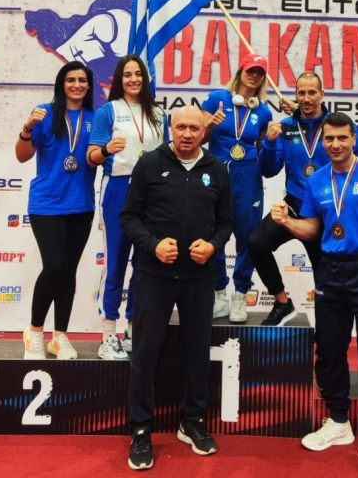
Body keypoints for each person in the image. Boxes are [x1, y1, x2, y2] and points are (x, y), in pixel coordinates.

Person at [271, 112, 358, 478]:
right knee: (329, 350)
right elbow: (312, 230)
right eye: (329, 138)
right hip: (330, 269)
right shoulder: (316, 180)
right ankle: (339, 421)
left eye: (342, 138)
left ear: (353, 139)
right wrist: (286, 222)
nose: (335, 144)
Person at [120, 105, 234, 471]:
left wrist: (213, 246)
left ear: (204, 132)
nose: (187, 134)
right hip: (153, 275)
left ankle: (192, 421)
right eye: (181, 127)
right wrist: (152, 244)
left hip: (199, 278)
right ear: (171, 128)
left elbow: (226, 222)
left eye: (194, 129)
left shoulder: (217, 169)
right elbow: (128, 216)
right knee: (145, 353)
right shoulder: (150, 163)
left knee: (198, 351)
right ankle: (141, 429)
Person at [249, 72, 358, 326]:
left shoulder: (335, 126)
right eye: (301, 93)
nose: (307, 98)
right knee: (256, 244)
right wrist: (269, 143)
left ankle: (326, 334)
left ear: (322, 94)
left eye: (312, 92)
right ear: (295, 95)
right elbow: (269, 170)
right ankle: (282, 303)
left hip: (327, 211)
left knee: (324, 284)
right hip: (295, 205)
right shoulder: (286, 127)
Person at [87, 55, 169, 361]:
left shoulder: (158, 113)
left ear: (145, 79)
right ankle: (108, 334)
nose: (134, 79)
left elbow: (168, 155)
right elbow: (91, 157)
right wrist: (106, 149)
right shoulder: (108, 111)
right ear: (119, 80)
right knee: (116, 262)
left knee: (145, 264)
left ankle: (134, 328)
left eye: (138, 74)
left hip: (153, 192)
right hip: (119, 189)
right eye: (127, 75)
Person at [17, 61, 97, 361]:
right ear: (61, 84)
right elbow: (22, 156)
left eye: (82, 80)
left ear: (89, 85)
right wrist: (27, 128)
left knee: (69, 271)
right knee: (54, 267)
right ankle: (34, 332)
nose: (77, 85)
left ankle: (59, 337)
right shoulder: (45, 113)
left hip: (81, 205)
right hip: (47, 204)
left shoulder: (95, 118)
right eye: (70, 80)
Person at [200, 53, 273, 323]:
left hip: (248, 175)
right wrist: (210, 123)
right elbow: (198, 139)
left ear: (263, 79)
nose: (254, 75)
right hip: (217, 171)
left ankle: (240, 294)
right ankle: (219, 294)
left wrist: (272, 143)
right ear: (240, 71)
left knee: (248, 236)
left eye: (259, 73)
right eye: (250, 70)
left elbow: (263, 150)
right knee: (213, 233)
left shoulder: (263, 111)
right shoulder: (216, 99)